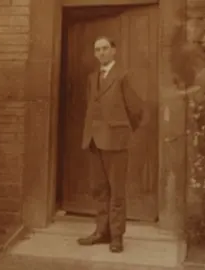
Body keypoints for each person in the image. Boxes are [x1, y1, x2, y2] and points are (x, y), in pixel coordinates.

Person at [78, 36, 144, 253]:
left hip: (116, 141)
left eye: (105, 48)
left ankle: (117, 237)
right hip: (94, 141)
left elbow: (136, 109)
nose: (101, 53)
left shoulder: (124, 75)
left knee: (116, 191)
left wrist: (122, 130)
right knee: (99, 189)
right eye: (97, 50)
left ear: (114, 51)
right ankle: (101, 232)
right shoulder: (91, 78)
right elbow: (91, 106)